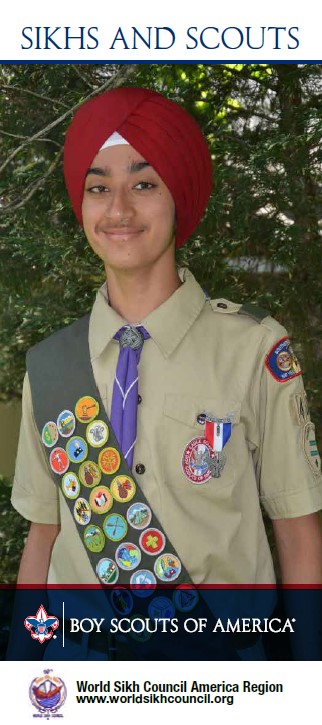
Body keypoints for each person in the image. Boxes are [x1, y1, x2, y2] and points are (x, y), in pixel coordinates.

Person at [9, 86, 322, 660]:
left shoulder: (254, 349)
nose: (119, 209)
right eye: (98, 186)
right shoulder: (51, 366)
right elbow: (42, 539)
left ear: (179, 195)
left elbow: (299, 535)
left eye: (143, 184)